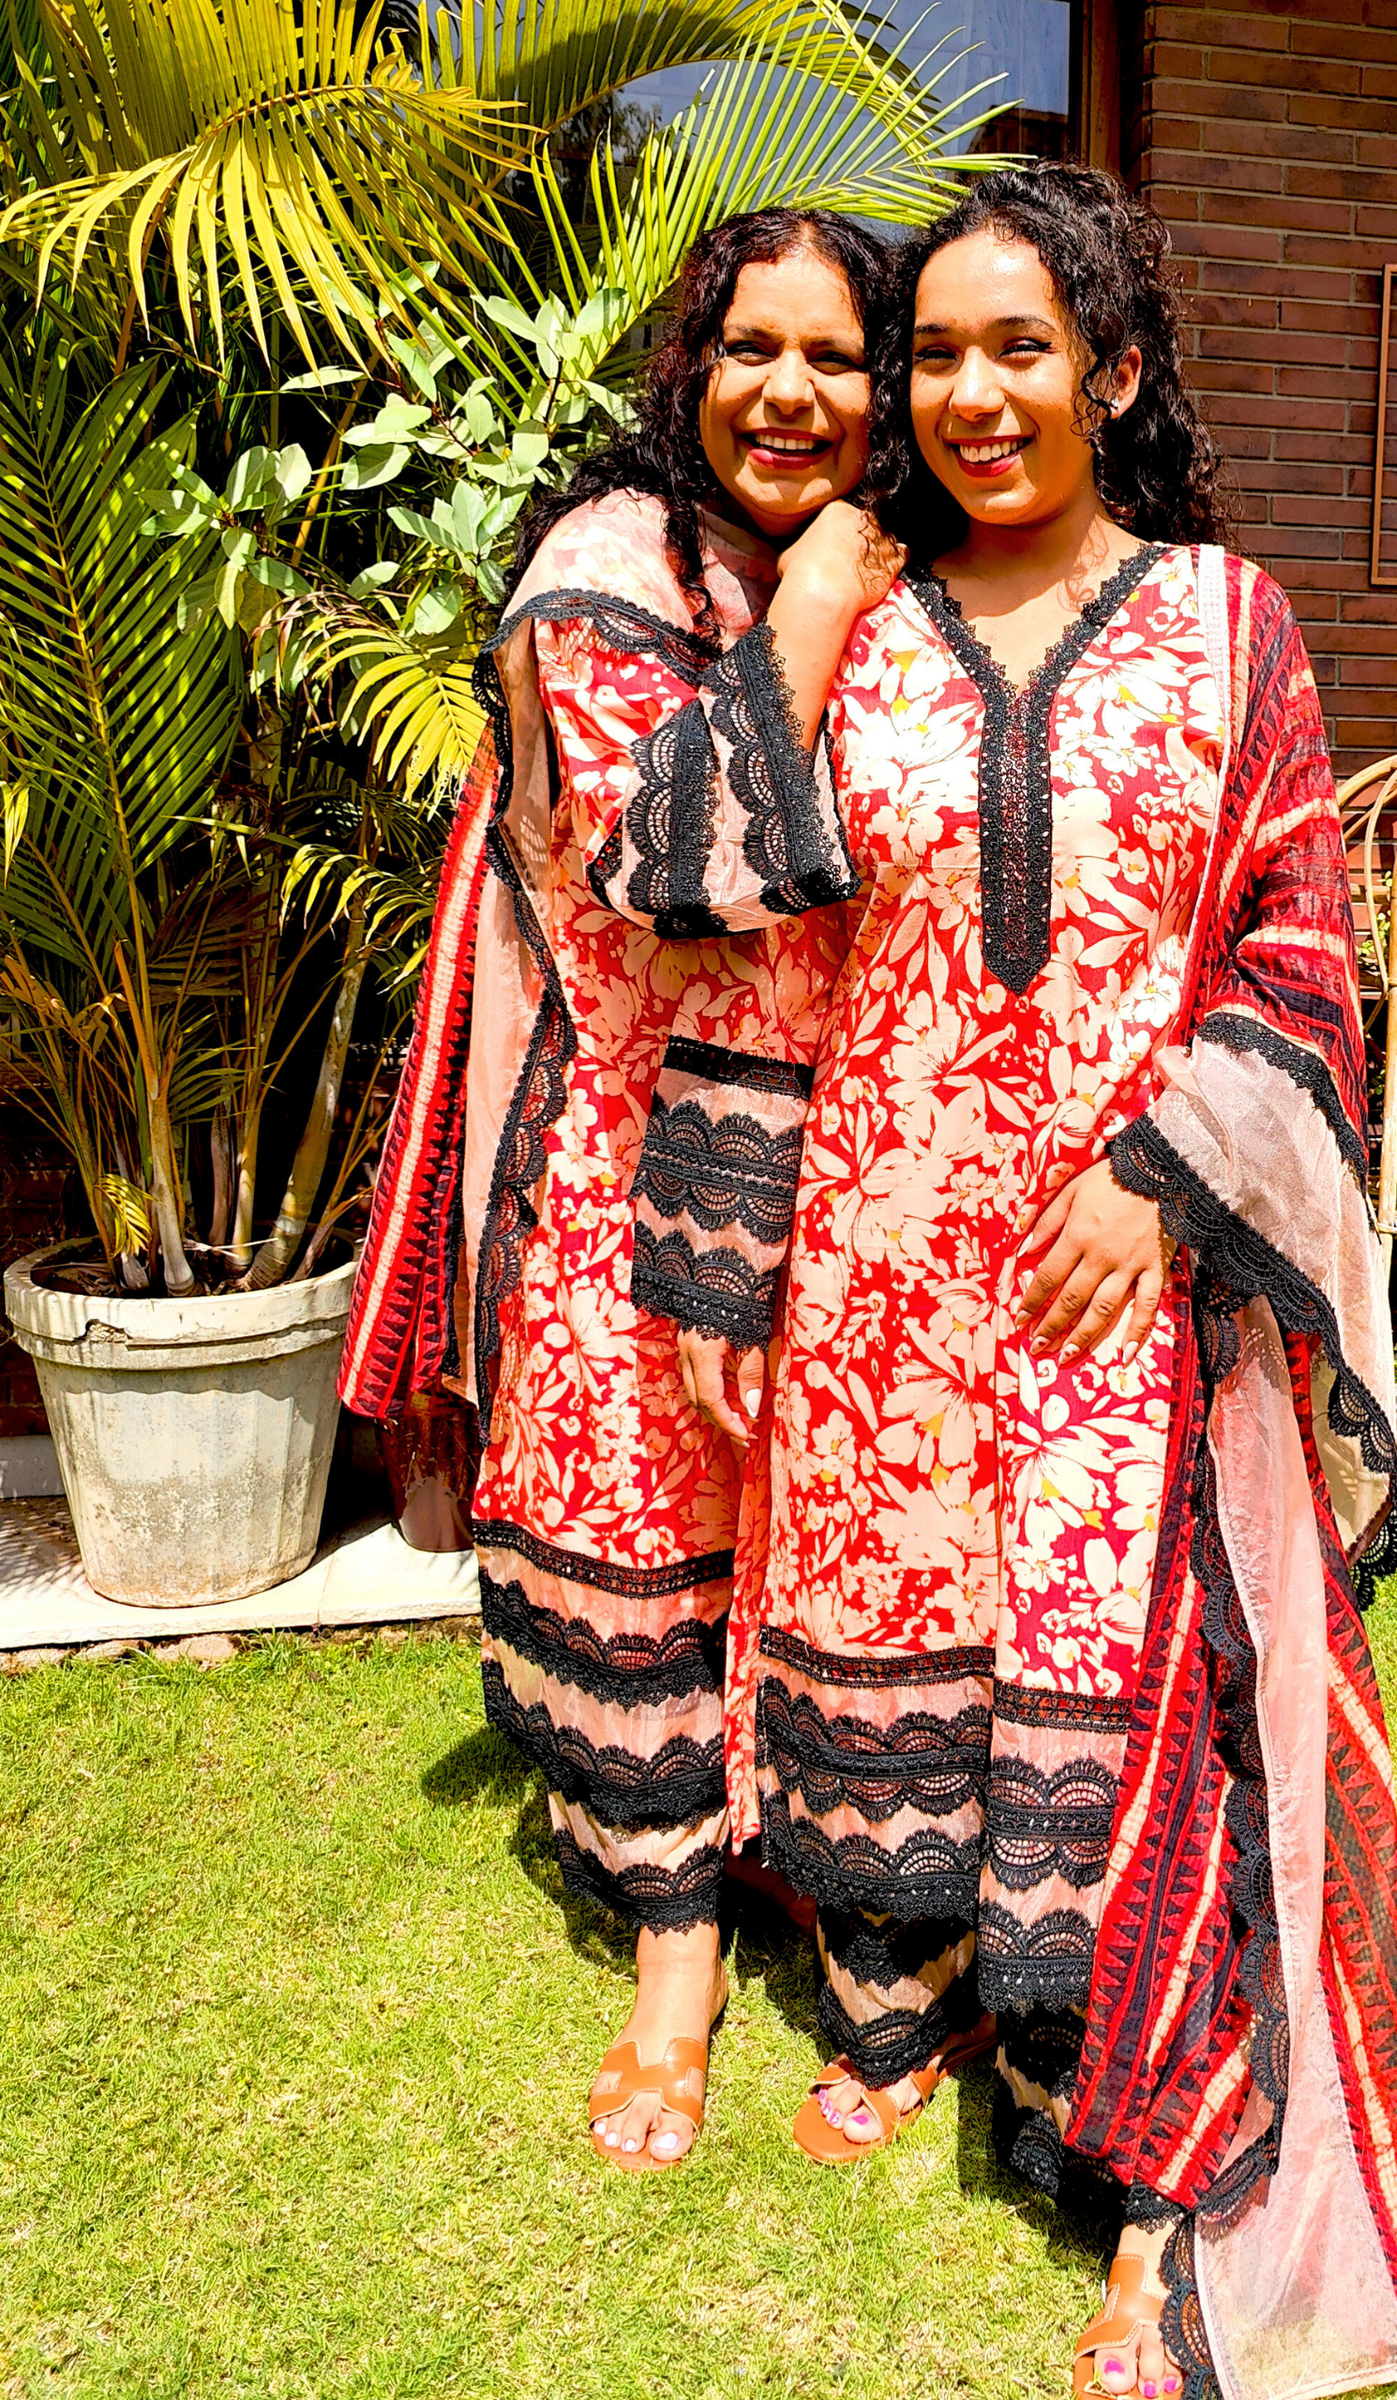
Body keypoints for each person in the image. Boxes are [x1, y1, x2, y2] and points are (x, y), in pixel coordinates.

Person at [608, 164, 1397, 2397]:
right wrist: (717, 1272)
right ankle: (919, 2001)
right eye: (936, 354)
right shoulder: (856, 613)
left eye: (1019, 347)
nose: (969, 394)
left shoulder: (1232, 627)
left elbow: (1305, 952)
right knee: (902, 1671)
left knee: (1158, 1716)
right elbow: (740, 947)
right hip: (877, 1275)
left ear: (1116, 370)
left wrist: (1166, 1173)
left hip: (1110, 1287)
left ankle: (1180, 2195)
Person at [337, 206, 898, 2173]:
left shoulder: (918, 561)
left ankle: (842, 1879)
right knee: (650, 1524)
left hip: (868, 1161)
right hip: (632, 1158)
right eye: (756, 347)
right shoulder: (610, 566)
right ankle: (675, 1957)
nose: (795, 393)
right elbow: (680, 861)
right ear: (692, 365)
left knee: (839, 1542)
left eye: (840, 356)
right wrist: (820, 599)